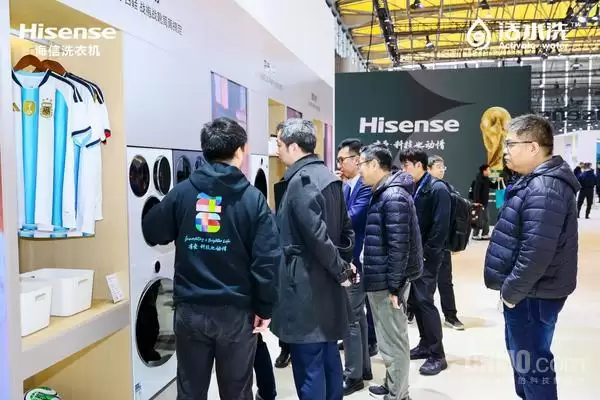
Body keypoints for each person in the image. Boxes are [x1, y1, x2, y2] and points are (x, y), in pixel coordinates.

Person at [142, 117, 283, 400]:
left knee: (190, 391)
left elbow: (153, 229)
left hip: (190, 311)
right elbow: (267, 260)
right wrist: (264, 308)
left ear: (205, 150)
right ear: (241, 150)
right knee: (236, 391)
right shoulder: (253, 200)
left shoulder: (182, 193)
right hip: (236, 313)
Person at [485, 114, 579, 400]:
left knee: (533, 366)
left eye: (511, 144)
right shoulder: (534, 182)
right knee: (526, 362)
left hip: (532, 294)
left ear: (533, 147)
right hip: (531, 292)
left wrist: (511, 293)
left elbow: (536, 252)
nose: (505, 151)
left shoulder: (544, 188)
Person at [271, 118, 357, 400]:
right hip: (326, 285)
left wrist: (342, 270)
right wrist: (344, 265)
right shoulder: (329, 177)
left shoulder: (301, 182)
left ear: (294, 146)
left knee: (309, 365)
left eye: (279, 144)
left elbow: (317, 238)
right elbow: (346, 231)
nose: (277, 150)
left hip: (306, 288)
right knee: (328, 357)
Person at [359, 144, 423, 400]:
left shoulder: (393, 195)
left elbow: (399, 246)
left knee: (393, 339)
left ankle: (398, 394)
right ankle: (392, 383)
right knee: (387, 336)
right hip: (382, 277)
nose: (360, 170)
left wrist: (395, 286)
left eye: (362, 164)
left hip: (388, 282)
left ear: (374, 164)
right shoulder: (383, 192)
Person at [399, 148, 451, 376]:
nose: (404, 169)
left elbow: (440, 227)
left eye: (407, 165)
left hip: (428, 257)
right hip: (415, 255)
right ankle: (425, 344)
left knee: (424, 300)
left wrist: (426, 254)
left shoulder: (438, 189)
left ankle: (438, 355)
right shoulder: (416, 186)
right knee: (416, 301)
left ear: (419, 165)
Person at [334, 139, 374, 395]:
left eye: (342, 159)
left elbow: (349, 219)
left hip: (358, 261)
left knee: (351, 318)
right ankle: (363, 369)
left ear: (357, 160)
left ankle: (353, 376)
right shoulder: (350, 187)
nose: (339, 164)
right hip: (354, 258)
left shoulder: (364, 188)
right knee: (358, 318)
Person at [427, 156, 465, 331]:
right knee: (423, 282)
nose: (442, 169)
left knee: (445, 281)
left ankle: (450, 315)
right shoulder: (425, 188)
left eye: (443, 166)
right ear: (428, 169)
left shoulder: (446, 188)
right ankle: (413, 311)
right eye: (438, 166)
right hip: (428, 244)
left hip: (442, 244)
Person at [472, 164, 492, 240]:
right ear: (484, 171)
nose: (490, 171)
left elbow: (492, 185)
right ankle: (476, 234)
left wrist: (499, 181)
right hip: (479, 203)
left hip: (484, 202)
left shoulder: (487, 179)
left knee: (485, 219)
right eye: (489, 170)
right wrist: (477, 202)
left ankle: (484, 234)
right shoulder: (479, 179)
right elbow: (476, 191)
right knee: (478, 218)